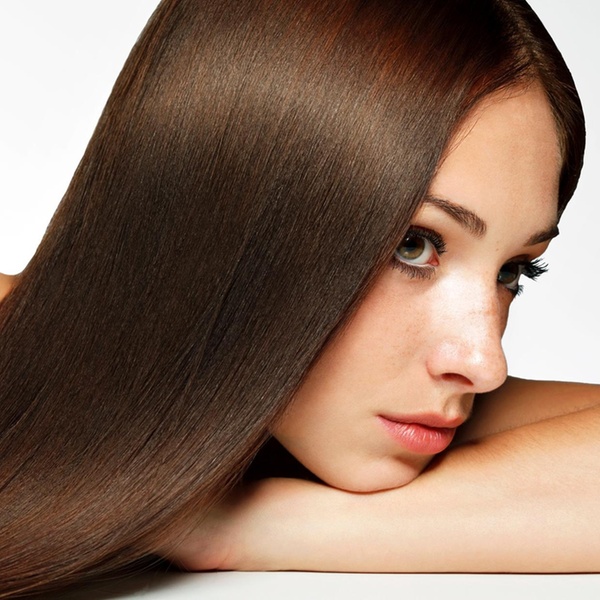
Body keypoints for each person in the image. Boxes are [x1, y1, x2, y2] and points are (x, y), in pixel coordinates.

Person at [0, 0, 597, 596]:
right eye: (413, 245)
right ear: (229, 204)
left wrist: (246, 526)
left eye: (514, 270)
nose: (484, 365)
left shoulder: (285, 420)